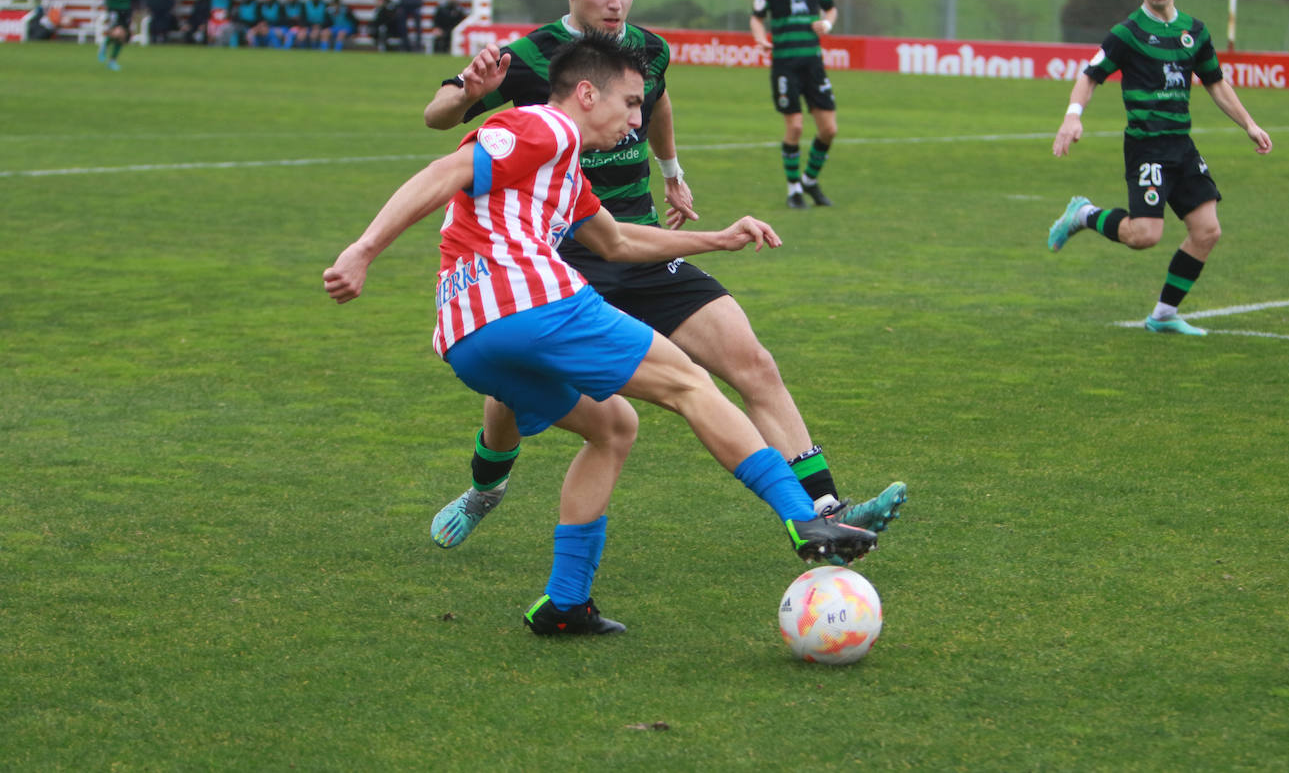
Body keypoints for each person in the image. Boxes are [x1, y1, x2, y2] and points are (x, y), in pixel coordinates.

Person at [323, 33, 877, 635]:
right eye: (632, 103)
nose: (638, 119)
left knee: (613, 427)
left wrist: (715, 238)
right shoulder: (545, 127)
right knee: (690, 384)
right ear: (586, 94)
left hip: (469, 339)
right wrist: (362, 251)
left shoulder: (563, 173)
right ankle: (804, 518)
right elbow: (446, 169)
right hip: (531, 302)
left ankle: (565, 604)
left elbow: (618, 243)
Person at [423, 0, 905, 553]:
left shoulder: (649, 49)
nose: (615, 1)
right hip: (555, 260)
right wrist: (464, 94)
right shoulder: (530, 55)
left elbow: (659, 100)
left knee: (751, 361)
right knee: (509, 395)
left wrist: (672, 172)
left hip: (640, 244)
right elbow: (436, 116)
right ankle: (487, 489)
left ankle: (826, 506)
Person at [1047, 0, 1273, 335]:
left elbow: (1215, 83)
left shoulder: (1194, 31)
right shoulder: (1127, 33)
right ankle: (1083, 215)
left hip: (1181, 146)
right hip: (1147, 147)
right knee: (1144, 236)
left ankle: (1163, 315)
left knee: (1207, 231)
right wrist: (1072, 116)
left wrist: (1249, 124)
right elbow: (1090, 75)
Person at [749, 0, 839, 209]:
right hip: (785, 65)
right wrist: (760, 37)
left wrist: (826, 24)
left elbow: (830, 10)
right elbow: (757, 17)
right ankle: (793, 190)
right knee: (796, 127)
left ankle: (810, 180)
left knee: (829, 129)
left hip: (813, 62)